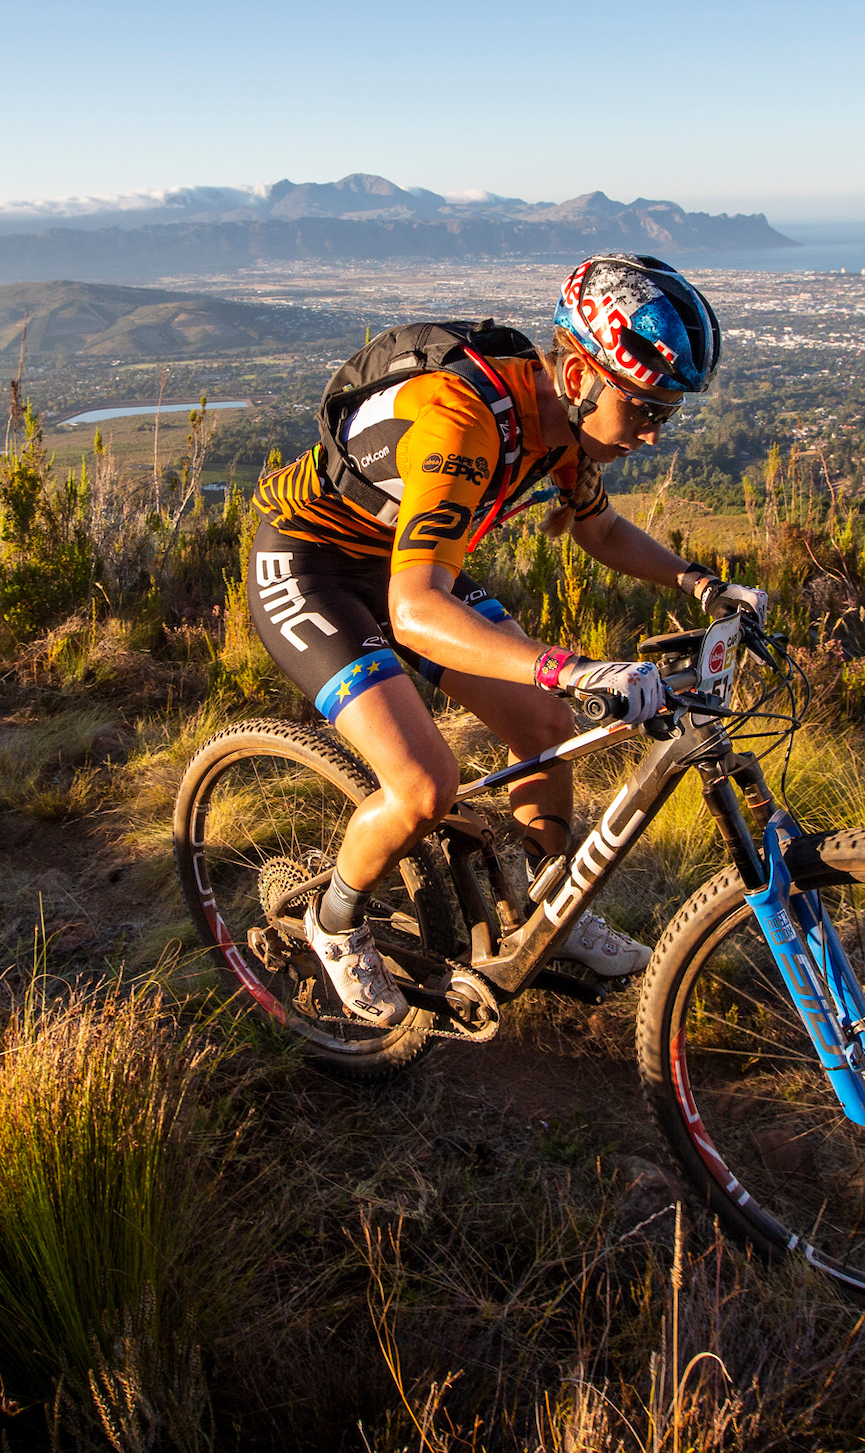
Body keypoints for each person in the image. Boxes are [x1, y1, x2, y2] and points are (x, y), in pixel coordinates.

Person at [249, 254, 766, 1026]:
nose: (655, 434)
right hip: (313, 565)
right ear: (584, 374)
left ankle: (544, 913)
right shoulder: (462, 420)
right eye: (647, 408)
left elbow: (599, 527)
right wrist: (567, 666)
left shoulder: (562, 422)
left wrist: (698, 582)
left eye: (669, 413)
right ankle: (334, 924)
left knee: (545, 724)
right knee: (425, 785)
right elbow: (419, 609)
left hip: (407, 569)